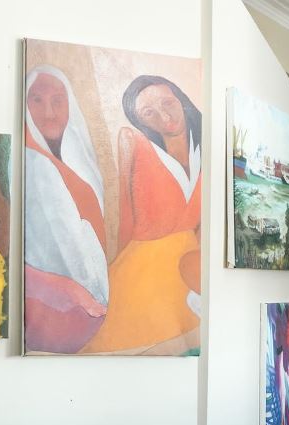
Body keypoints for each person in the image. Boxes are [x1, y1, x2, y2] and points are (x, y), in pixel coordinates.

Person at [82, 75, 202, 355]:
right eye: (149, 112)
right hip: (142, 270)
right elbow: (125, 215)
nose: (164, 116)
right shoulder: (134, 141)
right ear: (140, 121)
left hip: (189, 267)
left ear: (181, 100)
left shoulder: (207, 144)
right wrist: (115, 272)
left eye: (167, 103)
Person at [23, 65, 109, 354]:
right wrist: (66, 290)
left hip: (92, 304)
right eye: (37, 100)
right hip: (51, 310)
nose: (49, 112)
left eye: (58, 101)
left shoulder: (79, 160)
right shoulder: (29, 163)